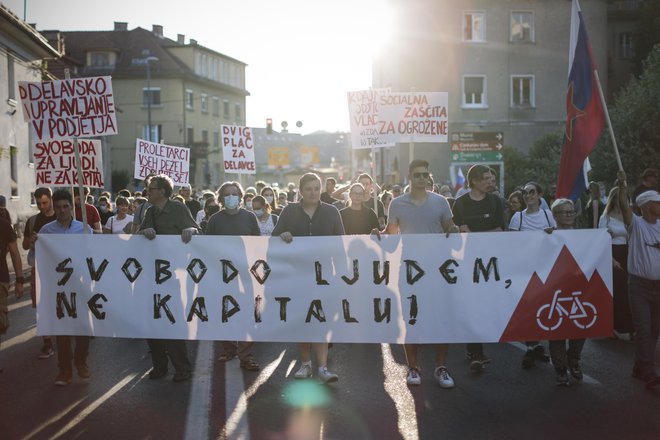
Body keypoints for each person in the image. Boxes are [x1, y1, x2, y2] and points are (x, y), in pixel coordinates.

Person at [382, 160, 459, 388]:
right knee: (411, 318)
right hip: (409, 270)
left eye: (425, 175)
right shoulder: (396, 204)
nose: (422, 178)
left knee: (441, 318)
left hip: (438, 269)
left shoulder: (441, 202)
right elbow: (391, 242)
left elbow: (450, 230)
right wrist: (378, 235)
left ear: (429, 177)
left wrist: (455, 229)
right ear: (410, 177)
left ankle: (440, 367)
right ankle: (413, 367)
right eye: (417, 175)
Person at [272, 173, 344, 383]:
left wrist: (341, 274)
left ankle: (322, 367)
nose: (313, 192)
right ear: (301, 191)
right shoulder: (289, 211)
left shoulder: (331, 212)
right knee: (302, 320)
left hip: (324, 277)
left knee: (321, 320)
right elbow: (274, 238)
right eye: (309, 189)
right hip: (297, 275)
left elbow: (341, 242)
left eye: (316, 188)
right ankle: (305, 365)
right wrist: (282, 236)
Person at [139, 175, 198, 382]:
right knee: (152, 321)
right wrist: (143, 231)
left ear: (162, 192)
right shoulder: (149, 212)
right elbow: (139, 240)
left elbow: (196, 231)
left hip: (174, 275)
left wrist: (190, 230)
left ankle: (182, 368)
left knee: (172, 321)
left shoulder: (178, 209)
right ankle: (159, 366)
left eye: (151, 187)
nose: (147, 190)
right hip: (152, 275)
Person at [452, 164, 506, 373]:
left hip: (491, 262)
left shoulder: (496, 202)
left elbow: (501, 230)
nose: (490, 181)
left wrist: (472, 233)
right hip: (467, 263)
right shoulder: (460, 204)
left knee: (485, 306)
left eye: (491, 178)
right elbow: (456, 233)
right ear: (473, 181)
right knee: (471, 306)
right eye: (485, 178)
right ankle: (474, 350)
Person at [206, 182, 262, 371]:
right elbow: (207, 248)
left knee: (248, 312)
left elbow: (257, 244)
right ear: (221, 198)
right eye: (227, 194)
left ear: (240, 196)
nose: (231, 197)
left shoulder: (250, 217)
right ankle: (228, 348)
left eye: (234, 194)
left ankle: (246, 355)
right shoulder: (214, 220)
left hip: (246, 274)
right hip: (222, 274)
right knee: (224, 312)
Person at [38, 189, 92, 386]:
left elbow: (94, 256)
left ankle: (81, 362)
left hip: (81, 285)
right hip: (58, 286)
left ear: (72, 207)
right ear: (54, 206)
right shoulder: (46, 231)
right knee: (62, 329)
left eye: (65, 206)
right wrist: (36, 245)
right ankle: (65, 370)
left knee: (83, 327)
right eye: (58, 207)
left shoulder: (85, 229)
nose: (61, 210)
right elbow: (35, 259)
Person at [616, 171, 660, 388]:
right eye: (657, 203)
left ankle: (639, 366)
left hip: (658, 286)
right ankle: (650, 372)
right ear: (646, 206)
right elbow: (625, 207)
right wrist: (622, 185)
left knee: (654, 330)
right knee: (643, 329)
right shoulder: (636, 225)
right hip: (639, 286)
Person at [507, 181, 555, 368]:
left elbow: (559, 238)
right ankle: (531, 346)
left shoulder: (548, 215)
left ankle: (537, 345)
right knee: (527, 308)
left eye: (532, 192)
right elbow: (512, 244)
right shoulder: (517, 218)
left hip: (545, 268)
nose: (528, 195)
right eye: (525, 192)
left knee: (543, 306)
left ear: (539, 195)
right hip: (525, 269)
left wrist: (553, 233)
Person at [548, 198, 586, 386]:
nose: (570, 214)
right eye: (565, 212)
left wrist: (604, 238)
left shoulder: (585, 236)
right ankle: (560, 368)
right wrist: (545, 237)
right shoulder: (548, 236)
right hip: (554, 287)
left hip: (578, 288)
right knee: (556, 330)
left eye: (571, 211)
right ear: (555, 216)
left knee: (583, 323)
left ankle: (574, 359)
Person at [22, 187, 56, 359]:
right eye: (38, 203)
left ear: (51, 199)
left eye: (44, 202)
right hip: (39, 267)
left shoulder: (60, 217)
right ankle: (47, 342)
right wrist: (31, 240)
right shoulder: (33, 221)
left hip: (59, 270)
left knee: (59, 301)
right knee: (41, 304)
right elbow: (24, 245)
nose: (41, 206)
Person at [599, 187, 634, 339]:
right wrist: (611, 259)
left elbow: (634, 235)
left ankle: (630, 326)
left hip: (628, 253)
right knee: (618, 292)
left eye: (625, 197)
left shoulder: (630, 216)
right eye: (620, 197)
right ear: (614, 199)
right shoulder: (605, 218)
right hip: (612, 255)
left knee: (630, 292)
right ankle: (617, 327)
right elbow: (601, 241)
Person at [0, 212, 24, 373]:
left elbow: (15, 253)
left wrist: (20, 280)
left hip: (0, 278)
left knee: (1, 321)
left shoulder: (3, 225)